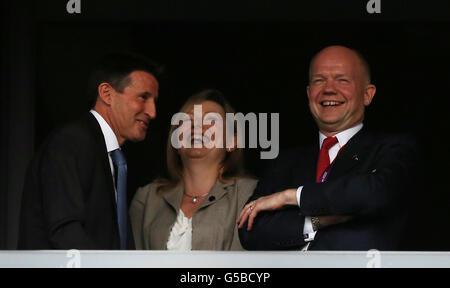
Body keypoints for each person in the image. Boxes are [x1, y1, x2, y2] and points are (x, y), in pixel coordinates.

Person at [237, 45, 418, 251]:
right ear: (308, 93)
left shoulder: (392, 148)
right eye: (319, 80)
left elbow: (376, 193)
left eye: (342, 80)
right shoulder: (285, 161)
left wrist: (291, 197)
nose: (329, 89)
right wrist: (318, 221)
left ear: (367, 95)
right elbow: (250, 229)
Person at [19, 52, 162, 249]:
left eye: (154, 101)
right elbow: (65, 232)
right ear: (106, 94)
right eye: (143, 97)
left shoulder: (108, 154)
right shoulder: (70, 143)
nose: (152, 112)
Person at [130, 89, 257, 250]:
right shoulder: (146, 198)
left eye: (211, 121)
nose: (197, 127)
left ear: (231, 142)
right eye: (189, 121)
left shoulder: (249, 194)